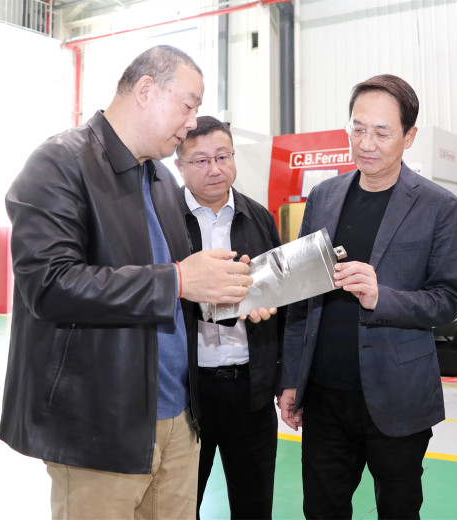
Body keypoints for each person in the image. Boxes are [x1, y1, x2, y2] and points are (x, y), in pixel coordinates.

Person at [0, 45, 257, 519]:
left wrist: (227, 293)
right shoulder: (59, 163)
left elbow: (175, 286)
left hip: (178, 420)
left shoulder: (160, 179)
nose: (191, 123)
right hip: (100, 426)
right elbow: (49, 285)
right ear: (145, 90)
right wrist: (180, 280)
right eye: (188, 105)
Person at [278, 74, 457, 519]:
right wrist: (291, 378)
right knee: (321, 509)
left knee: (398, 509)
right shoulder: (324, 197)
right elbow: (302, 297)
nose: (366, 143)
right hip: (324, 395)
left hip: (397, 396)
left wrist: (383, 296)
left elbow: (447, 300)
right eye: (358, 128)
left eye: (381, 132)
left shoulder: (439, 206)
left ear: (409, 136)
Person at [175, 116, 284, 519]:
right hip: (186, 395)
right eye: (201, 160)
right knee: (179, 506)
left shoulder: (260, 218)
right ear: (180, 166)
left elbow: (283, 303)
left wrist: (283, 379)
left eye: (222, 156)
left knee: (254, 506)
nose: (214, 169)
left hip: (250, 391)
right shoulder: (165, 222)